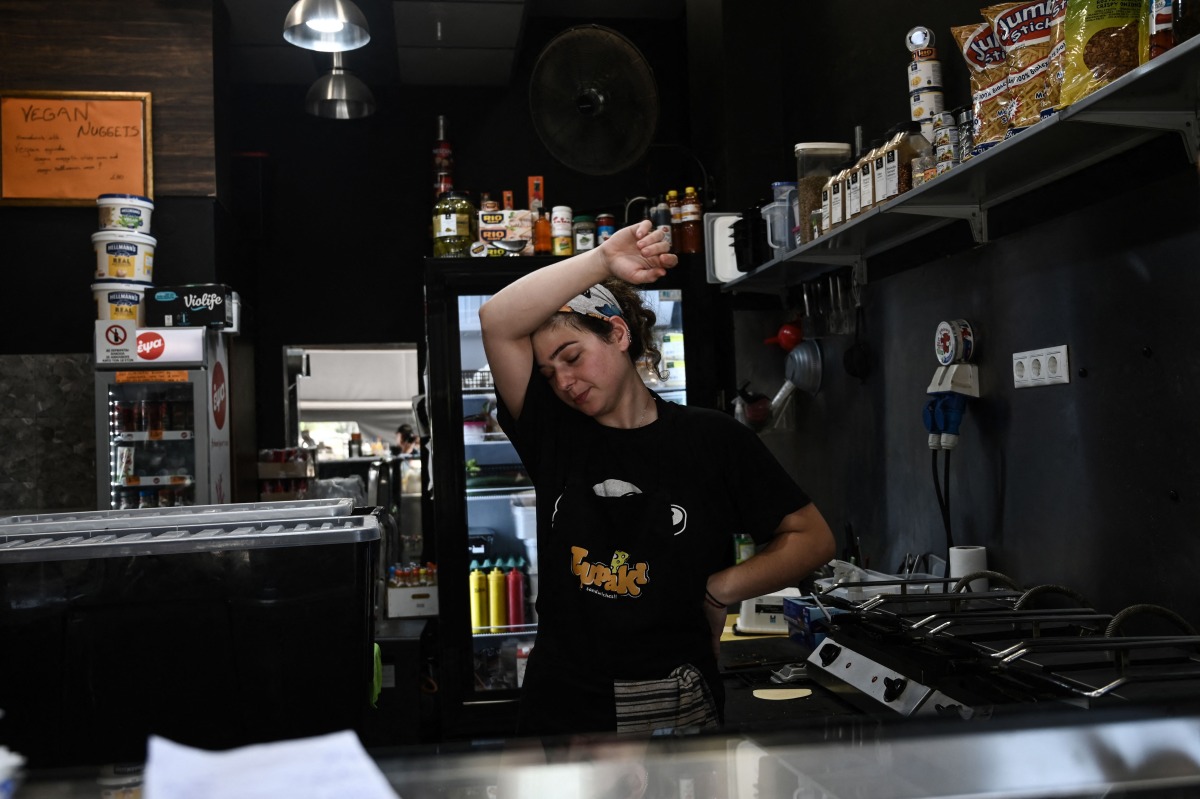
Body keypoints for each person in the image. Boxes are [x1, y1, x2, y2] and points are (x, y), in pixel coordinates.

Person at [479, 219, 835, 738]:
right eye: (549, 374)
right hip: (567, 694)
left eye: (572, 357)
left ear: (618, 333)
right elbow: (496, 320)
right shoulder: (553, 434)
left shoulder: (710, 439)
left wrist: (722, 589)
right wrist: (602, 260)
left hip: (675, 692)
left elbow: (813, 537)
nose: (565, 382)